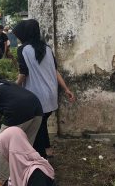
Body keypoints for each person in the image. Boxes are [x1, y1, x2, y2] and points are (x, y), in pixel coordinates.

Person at [13, 20, 75, 158]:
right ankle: (47, 149)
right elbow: (55, 71)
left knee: (37, 128)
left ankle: (41, 159)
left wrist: (12, 87)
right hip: (50, 94)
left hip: (35, 96)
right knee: (42, 124)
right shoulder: (47, 48)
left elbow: (23, 73)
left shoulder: (23, 49)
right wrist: (66, 89)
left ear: (24, 34)